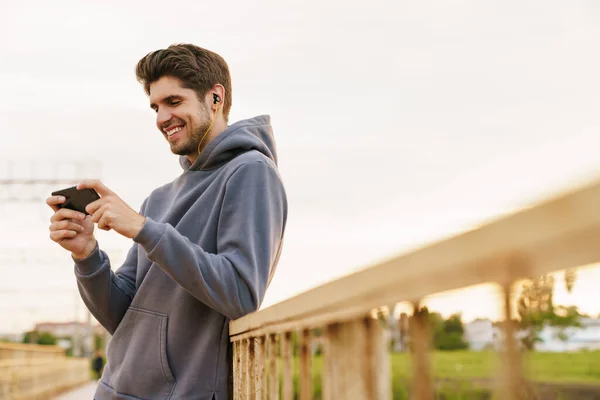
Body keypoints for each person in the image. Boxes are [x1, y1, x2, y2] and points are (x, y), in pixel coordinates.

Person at [46, 44, 288, 400]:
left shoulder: (250, 172)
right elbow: (120, 315)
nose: (162, 118)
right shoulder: (159, 198)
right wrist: (86, 255)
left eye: (174, 102)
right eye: (156, 107)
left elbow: (240, 293)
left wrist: (145, 229)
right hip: (115, 391)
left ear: (215, 97)